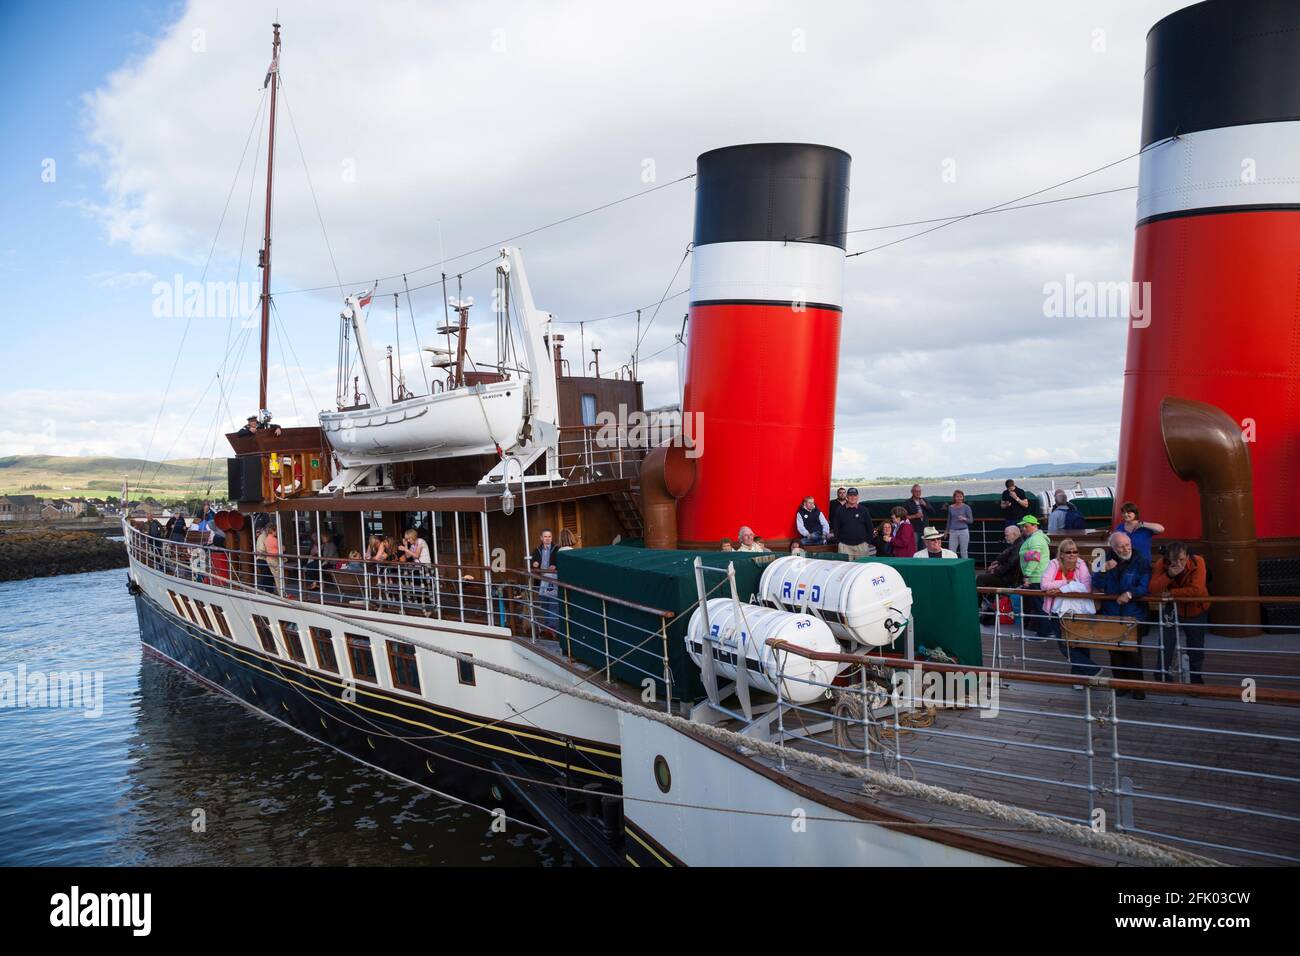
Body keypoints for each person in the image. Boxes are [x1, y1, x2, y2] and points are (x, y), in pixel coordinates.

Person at [1093, 530, 1151, 696]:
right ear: (1113, 547)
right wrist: (1103, 570)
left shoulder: (1141, 561)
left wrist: (1130, 593)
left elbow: (1144, 586)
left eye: (1128, 545)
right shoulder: (1104, 558)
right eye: (1121, 547)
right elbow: (1096, 582)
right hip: (1110, 612)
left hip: (1133, 613)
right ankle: (1121, 685)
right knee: (1114, 651)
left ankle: (1138, 688)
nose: (1126, 549)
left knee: (1133, 652)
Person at [1149, 541, 1210, 683]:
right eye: (1173, 560)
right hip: (1172, 609)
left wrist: (1171, 593)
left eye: (1182, 559)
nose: (1178, 563)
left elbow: (1197, 590)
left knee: (1196, 645)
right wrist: (1169, 575)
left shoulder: (1198, 561)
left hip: (1196, 608)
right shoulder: (1161, 564)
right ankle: (1162, 674)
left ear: (1188, 556)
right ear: (1168, 558)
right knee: (1166, 642)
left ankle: (1195, 676)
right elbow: (1153, 588)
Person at [1041, 539, 1099, 676]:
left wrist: (1060, 589)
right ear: (1061, 554)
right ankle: (1091, 669)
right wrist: (1067, 582)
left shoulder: (1081, 564)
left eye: (1075, 551)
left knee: (1081, 643)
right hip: (1057, 610)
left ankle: (1080, 678)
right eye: (1068, 552)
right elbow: (1044, 585)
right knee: (1064, 644)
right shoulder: (1053, 564)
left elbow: (1086, 587)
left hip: (1079, 609)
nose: (1072, 554)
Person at [976, 524, 1023, 622]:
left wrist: (995, 571)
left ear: (1014, 535)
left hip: (1008, 579)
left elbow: (1010, 564)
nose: (1005, 537)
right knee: (985, 577)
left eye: (1007, 535)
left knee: (980, 578)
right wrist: (996, 564)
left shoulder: (1018, 546)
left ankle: (977, 605)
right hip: (1006, 575)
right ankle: (991, 602)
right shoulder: (1016, 544)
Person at [1017, 515, 1051, 635]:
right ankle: (1044, 630)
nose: (1024, 529)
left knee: (1039, 606)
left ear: (1034, 526)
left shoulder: (1035, 539)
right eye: (1022, 527)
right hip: (1038, 576)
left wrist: (1027, 575)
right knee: (1040, 605)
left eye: (1026, 526)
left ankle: (1043, 633)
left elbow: (1034, 558)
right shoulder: (1036, 538)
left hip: (1036, 577)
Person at [531, 529, 560, 634]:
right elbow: (533, 562)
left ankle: (552, 628)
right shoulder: (537, 550)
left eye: (549, 537)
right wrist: (534, 563)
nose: (547, 539)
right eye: (545, 537)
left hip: (553, 579)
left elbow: (559, 562)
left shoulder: (557, 549)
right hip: (542, 580)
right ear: (541, 538)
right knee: (544, 603)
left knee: (553, 603)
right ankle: (548, 627)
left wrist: (555, 565)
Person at [830, 489, 873, 558]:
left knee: (861, 568)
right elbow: (836, 527)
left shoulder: (864, 510)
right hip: (844, 547)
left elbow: (870, 527)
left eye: (855, 495)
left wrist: (867, 542)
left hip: (861, 546)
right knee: (845, 568)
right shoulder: (839, 510)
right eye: (850, 495)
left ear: (858, 497)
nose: (853, 497)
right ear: (847, 496)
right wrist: (838, 542)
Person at [943, 490, 973, 558]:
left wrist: (964, 519)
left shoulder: (966, 507)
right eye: (957, 496)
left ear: (963, 497)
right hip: (953, 531)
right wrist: (946, 531)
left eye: (960, 496)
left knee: (964, 551)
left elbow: (971, 520)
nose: (959, 498)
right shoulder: (951, 507)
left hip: (963, 531)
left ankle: (965, 567)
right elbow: (949, 520)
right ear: (954, 498)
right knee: (951, 551)